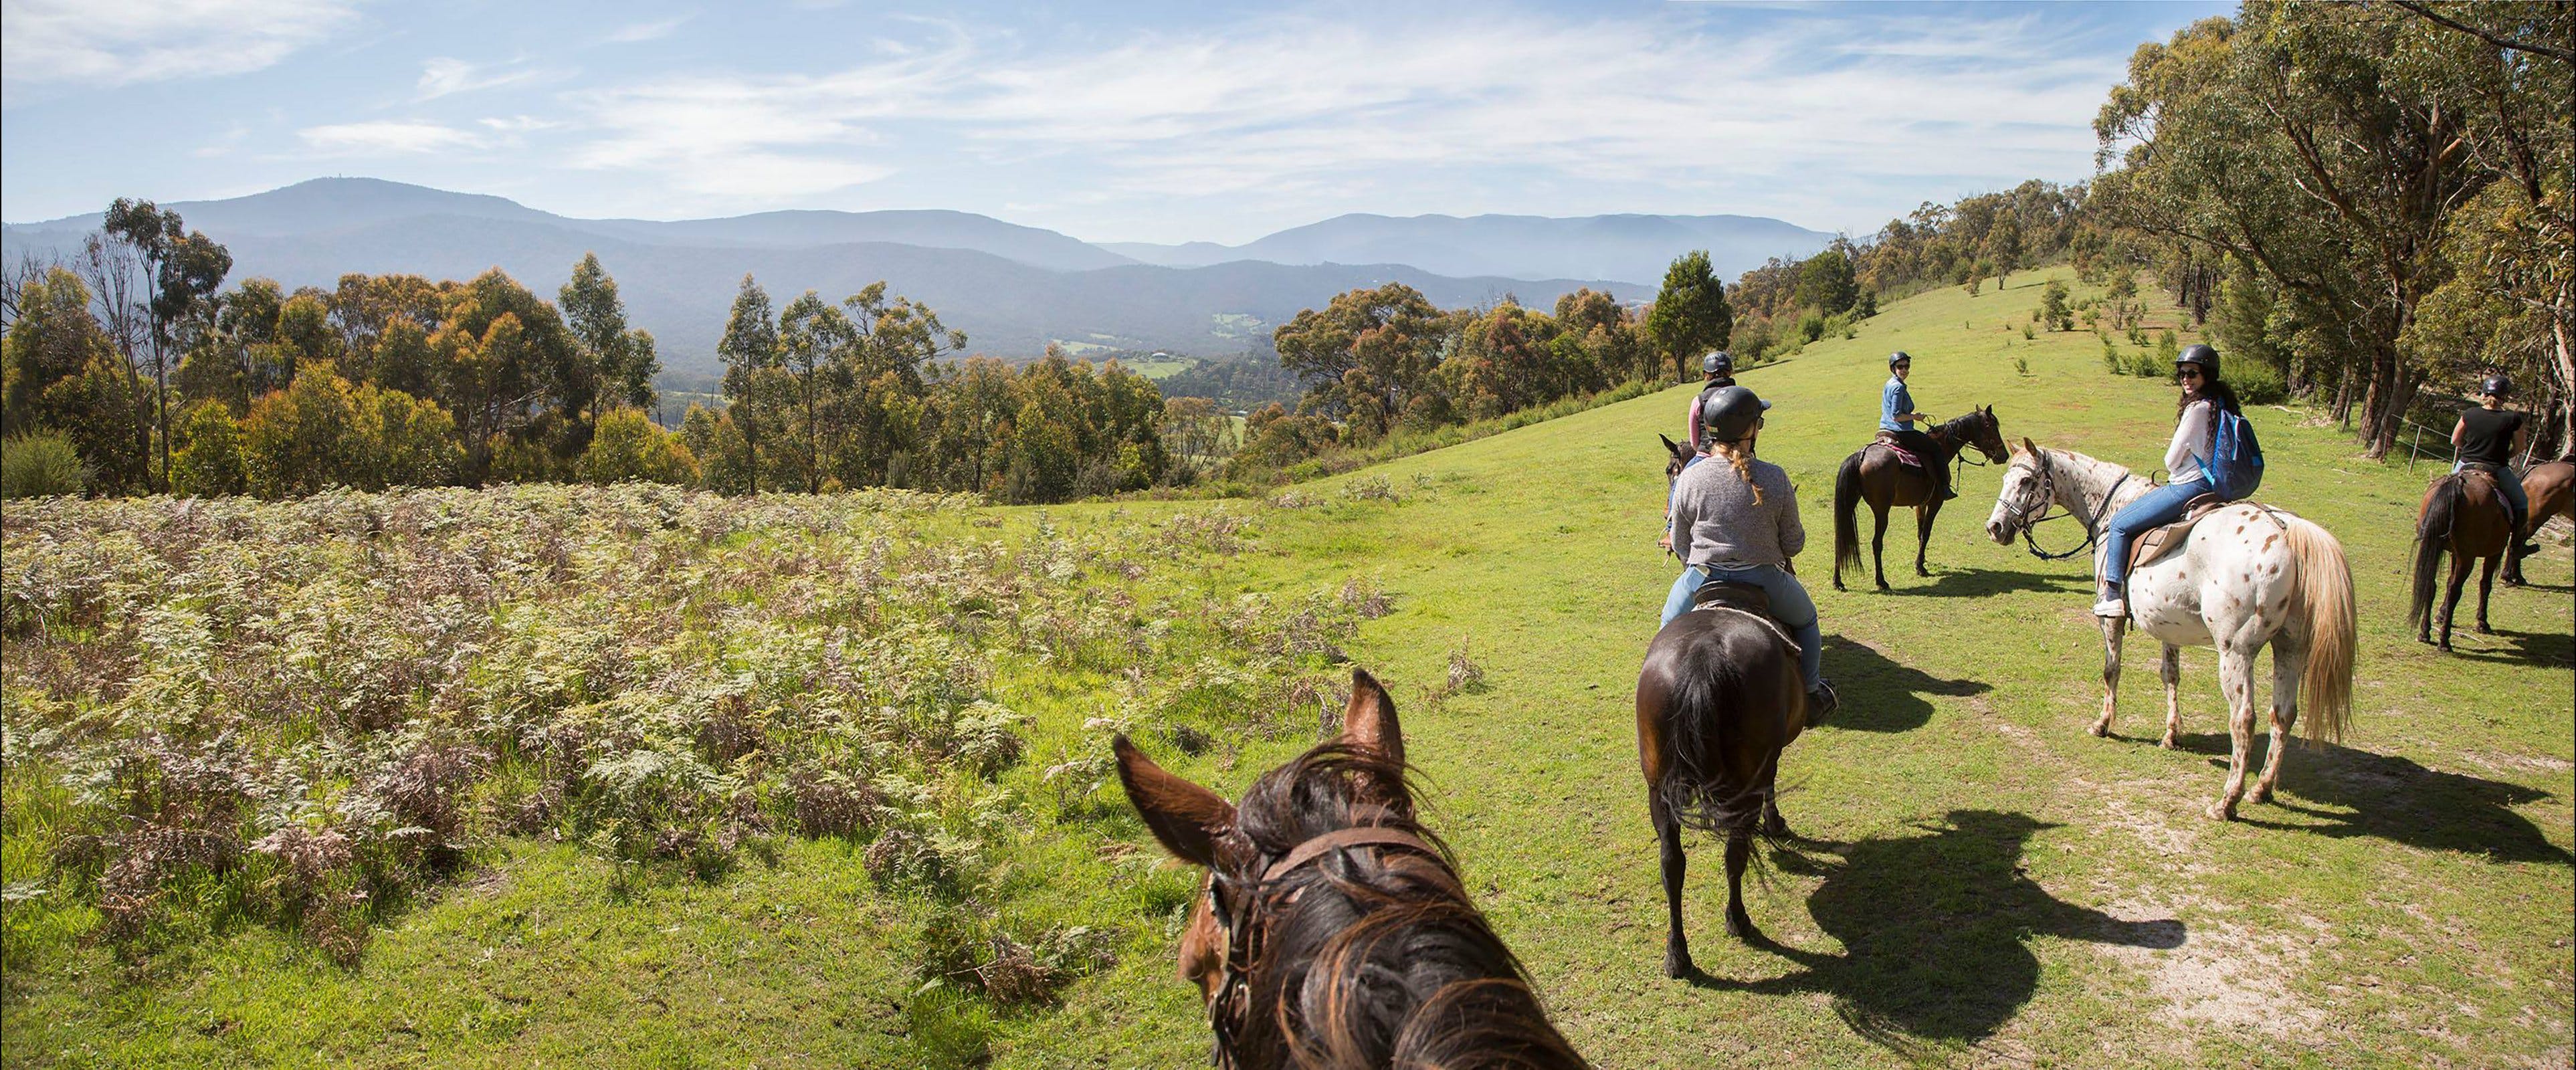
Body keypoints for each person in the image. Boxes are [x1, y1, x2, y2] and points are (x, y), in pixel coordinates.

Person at [1662, 385, 1838, 716]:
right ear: (1749, 431)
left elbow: (1682, 544)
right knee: (1808, 620)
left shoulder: (1688, 478)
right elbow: (1792, 545)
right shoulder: (1774, 476)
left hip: (1702, 577)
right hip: (1764, 578)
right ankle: (1812, 692)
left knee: (1668, 628)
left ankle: (1665, 697)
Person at [2094, 344, 2235, 618]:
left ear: (2207, 375)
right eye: (2182, 373)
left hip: (2188, 486)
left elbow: (2171, 460)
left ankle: (2112, 594)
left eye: (2192, 373)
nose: (2186, 379)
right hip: (2213, 487)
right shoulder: (2219, 405)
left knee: (2120, 523)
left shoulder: (2197, 409)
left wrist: (2181, 461)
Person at [2452, 372, 2541, 558]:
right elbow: (2519, 447)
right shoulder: (2513, 418)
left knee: (2444, 491)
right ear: (2505, 397)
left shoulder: (2469, 414)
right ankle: (2517, 547)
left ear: (2483, 394)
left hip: (2465, 464)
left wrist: (2469, 449)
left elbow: (2455, 440)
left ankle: (2428, 529)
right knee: (2521, 503)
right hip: (2496, 469)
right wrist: (2504, 455)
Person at [1878, 351, 1955, 500]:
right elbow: (1897, 416)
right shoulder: (1898, 388)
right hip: (1901, 431)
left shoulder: (1890, 383)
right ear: (1893, 368)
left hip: (1885, 428)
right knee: (1936, 448)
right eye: (1900, 367)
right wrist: (1916, 417)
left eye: (1907, 366)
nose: (1905, 370)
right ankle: (1944, 487)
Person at [1685, 350, 1737, 451]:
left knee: (1687, 468)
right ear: (1730, 372)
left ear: (1706, 375)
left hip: (1707, 454)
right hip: (1739, 454)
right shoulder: (1742, 395)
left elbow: (1694, 443)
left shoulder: (1698, 401)